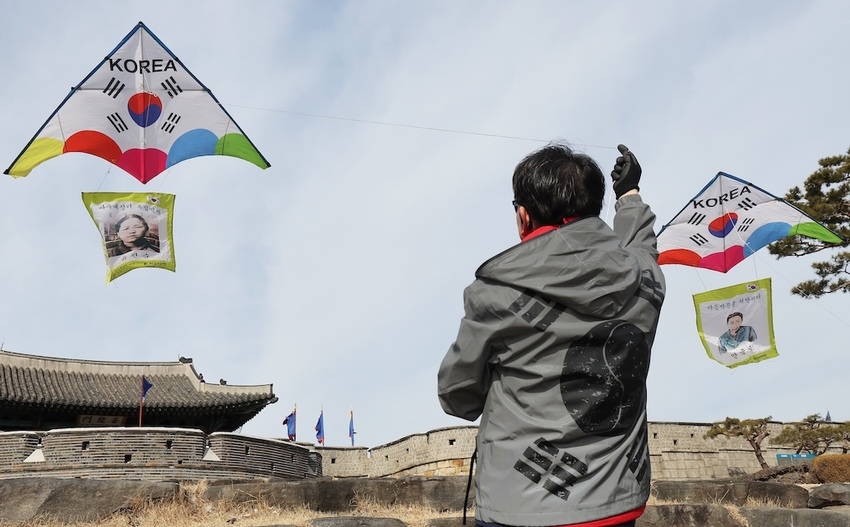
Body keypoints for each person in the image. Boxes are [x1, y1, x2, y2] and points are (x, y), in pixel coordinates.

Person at [438, 143, 665, 527]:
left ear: (523, 216)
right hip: (618, 501)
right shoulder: (645, 279)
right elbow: (641, 245)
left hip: (522, 508)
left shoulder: (495, 295)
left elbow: (457, 396)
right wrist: (629, 196)